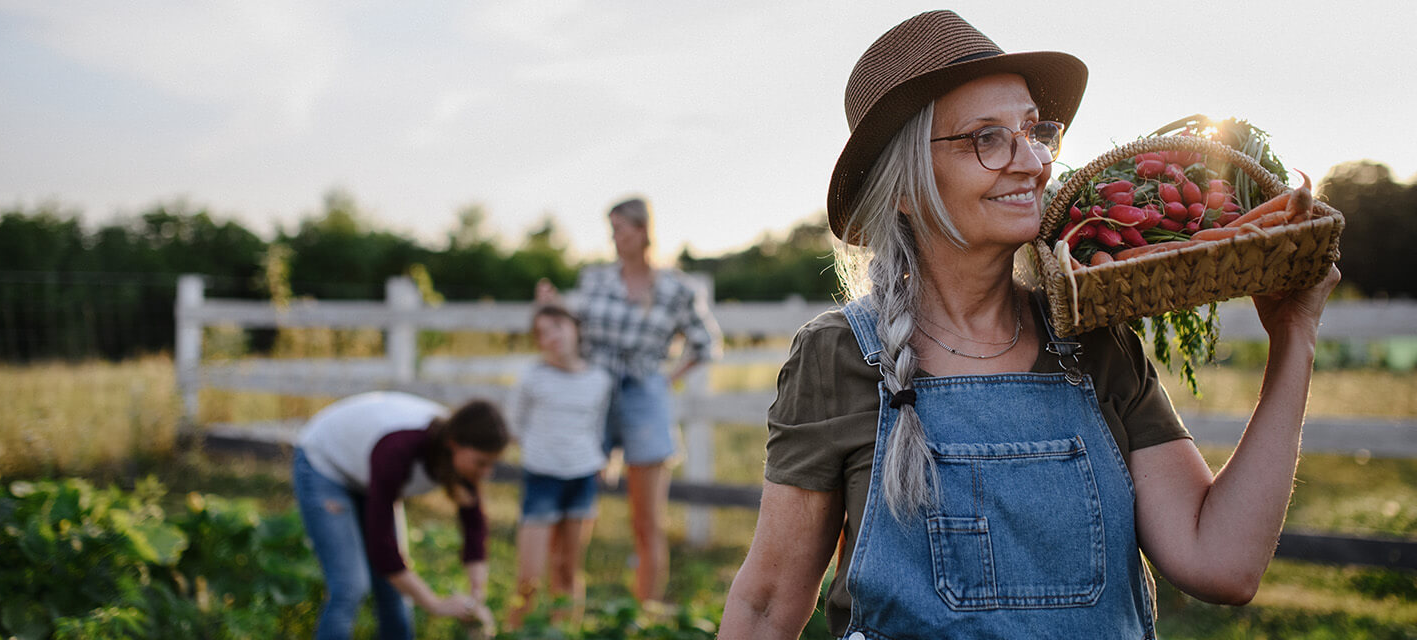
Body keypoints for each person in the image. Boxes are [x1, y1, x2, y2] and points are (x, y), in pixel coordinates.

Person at [719, 10, 1341, 639]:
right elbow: (767, 606)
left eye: (1035, 130)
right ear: (904, 187)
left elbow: (1223, 564)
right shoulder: (842, 356)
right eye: (987, 137)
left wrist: (1295, 338)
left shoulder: (1095, 342)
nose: (1034, 161)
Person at [535, 196, 721, 606]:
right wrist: (551, 306)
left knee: (647, 519)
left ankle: (645, 615)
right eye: (612, 230)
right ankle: (563, 606)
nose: (614, 238)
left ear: (642, 231)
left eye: (620, 229)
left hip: (645, 396)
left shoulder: (676, 289)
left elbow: (707, 344)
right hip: (594, 393)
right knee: (574, 506)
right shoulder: (595, 280)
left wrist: (664, 379)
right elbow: (572, 329)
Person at [292, 392, 508, 639]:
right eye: (481, 463)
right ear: (454, 443)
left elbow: (474, 528)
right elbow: (382, 549)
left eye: (492, 464)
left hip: (367, 475)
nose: (487, 473)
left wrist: (476, 597)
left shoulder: (460, 459)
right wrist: (434, 604)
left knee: (395, 591)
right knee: (350, 586)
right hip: (325, 465)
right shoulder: (398, 448)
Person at [505, 305, 612, 627]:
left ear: (575, 328)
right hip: (542, 478)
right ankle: (515, 630)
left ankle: (563, 629)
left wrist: (596, 458)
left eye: (557, 326)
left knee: (568, 568)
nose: (552, 336)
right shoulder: (531, 376)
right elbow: (514, 424)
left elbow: (599, 426)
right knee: (529, 575)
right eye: (542, 332)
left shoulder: (599, 379)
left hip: (581, 478)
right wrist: (542, 449)